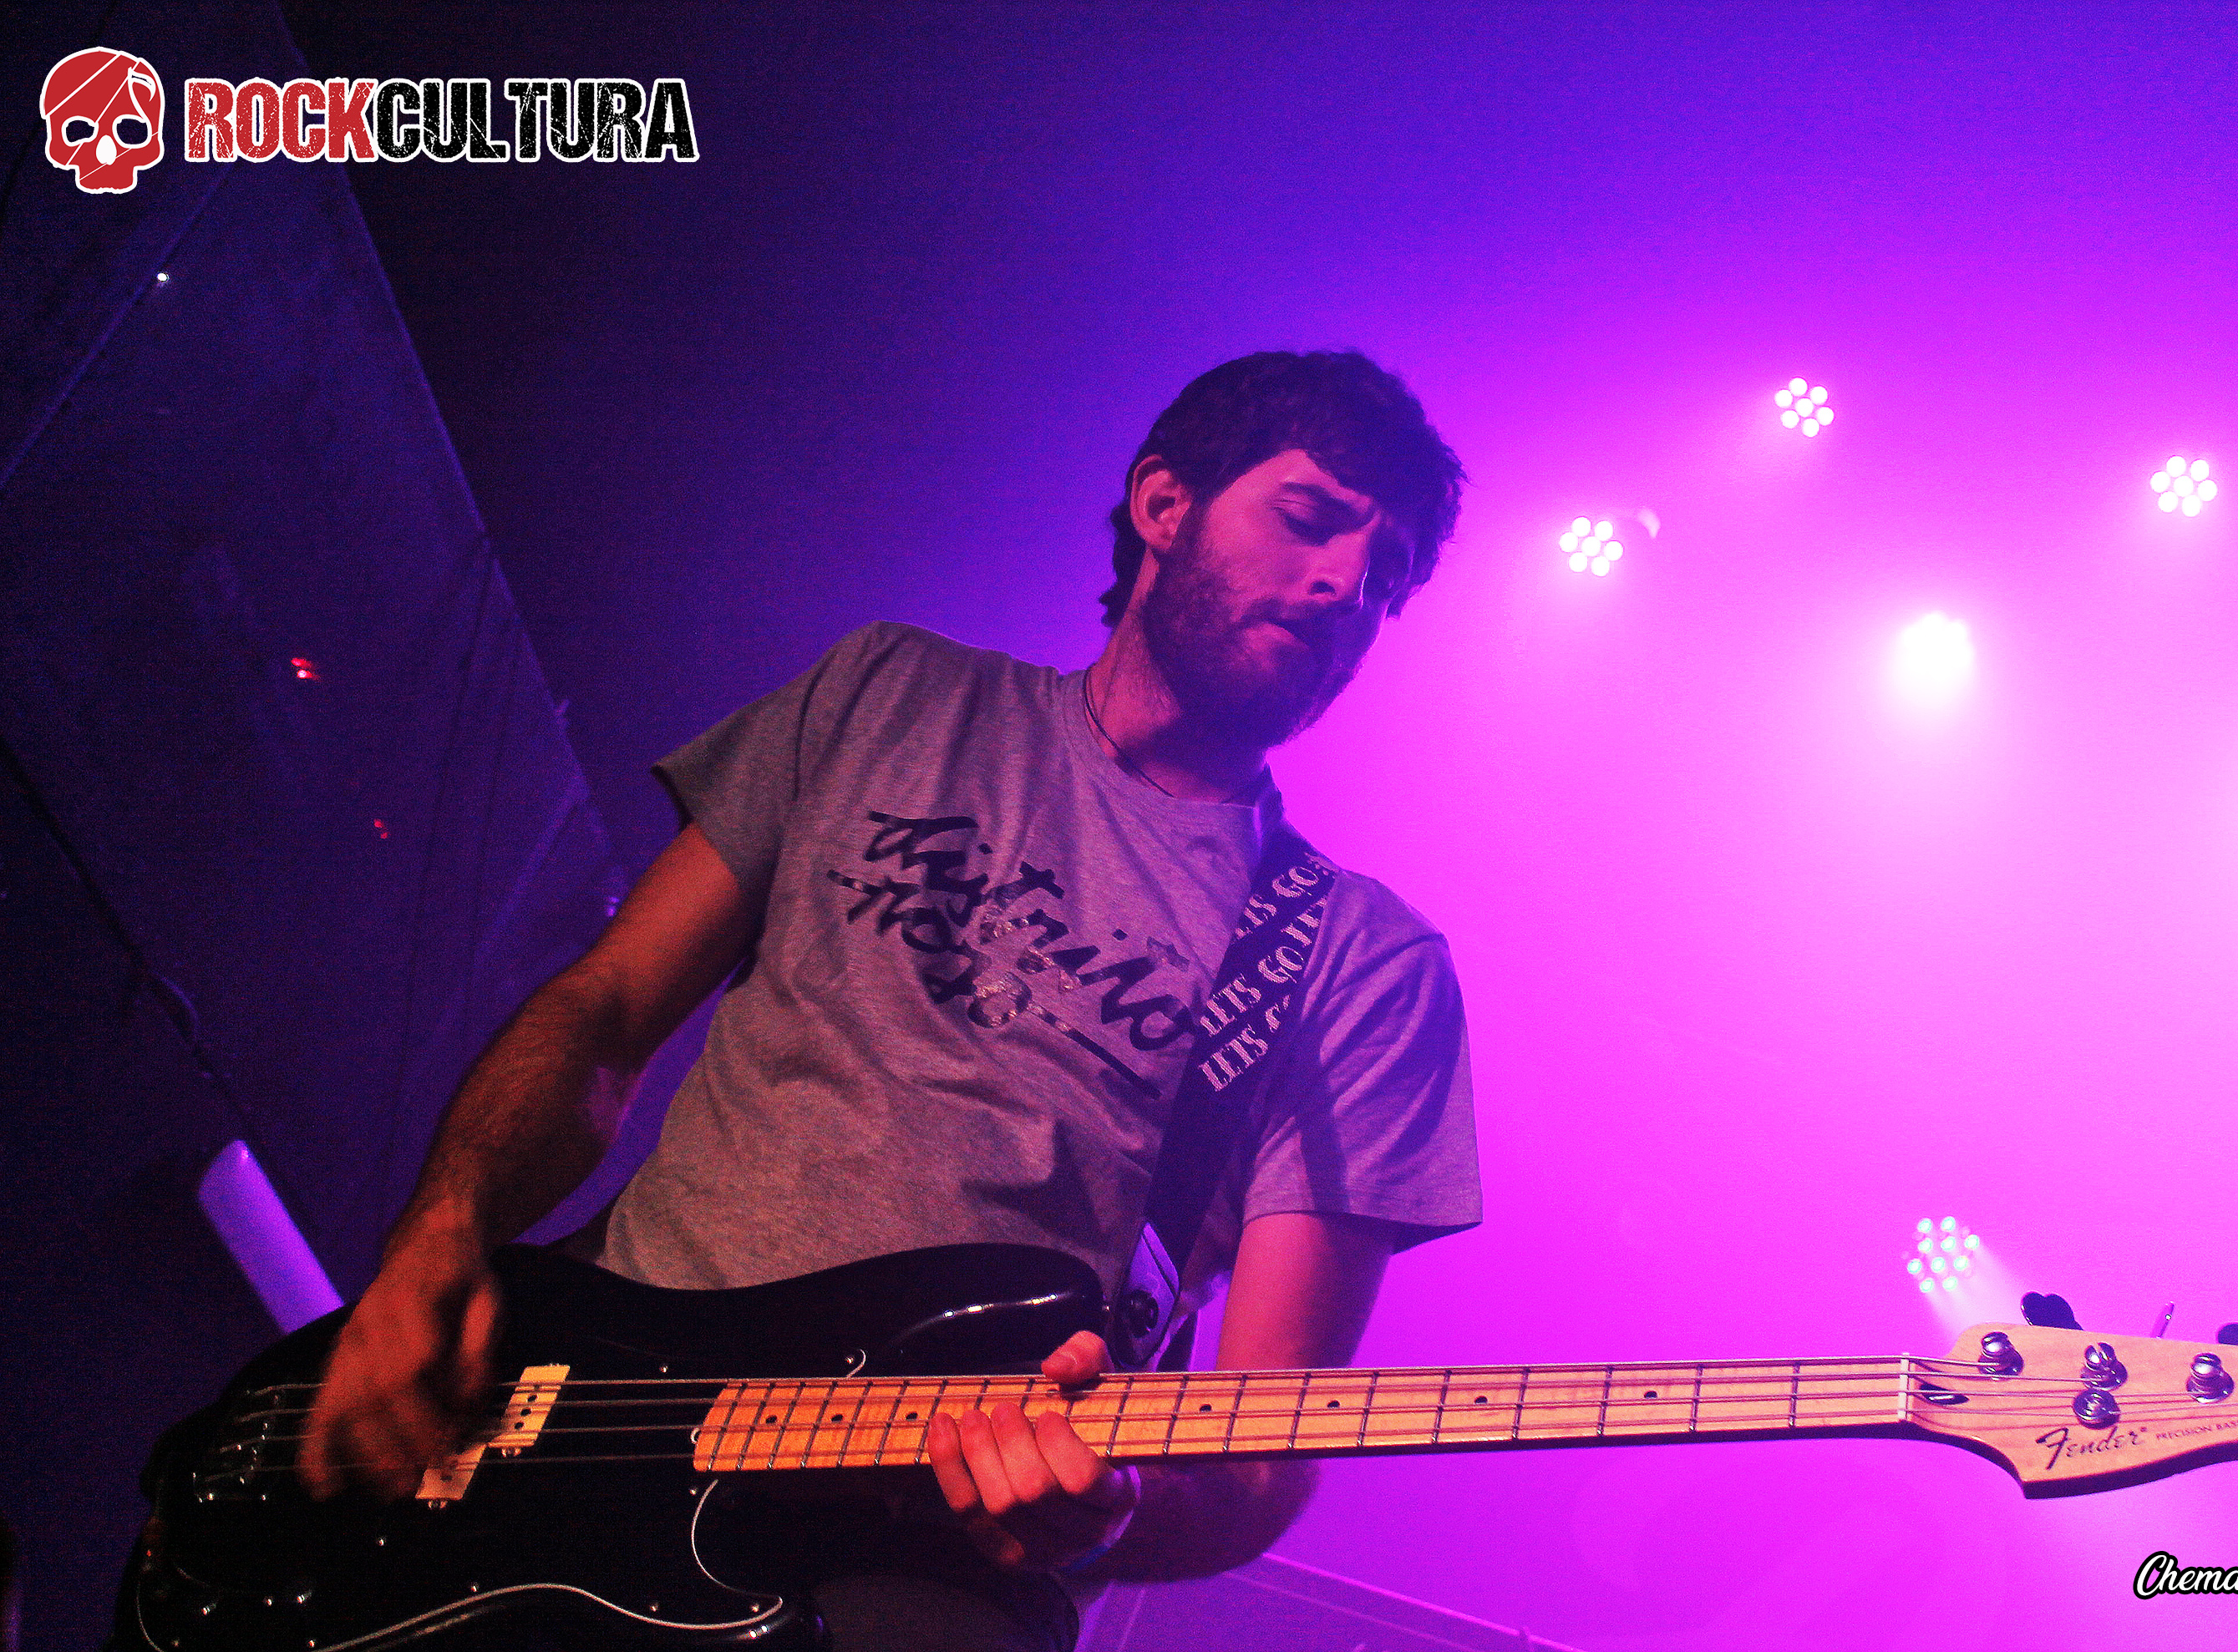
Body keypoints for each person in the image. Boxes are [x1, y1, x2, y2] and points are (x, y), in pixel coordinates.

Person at [300, 350, 1481, 1649]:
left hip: (919, 1563)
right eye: (1311, 519)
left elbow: (1261, 1451)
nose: (1342, 586)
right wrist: (437, 1235)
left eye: (1386, 579)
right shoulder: (891, 691)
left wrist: (1114, 1507)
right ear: (1163, 504)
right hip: (569, 1410)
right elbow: (605, 1010)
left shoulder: (1359, 960)